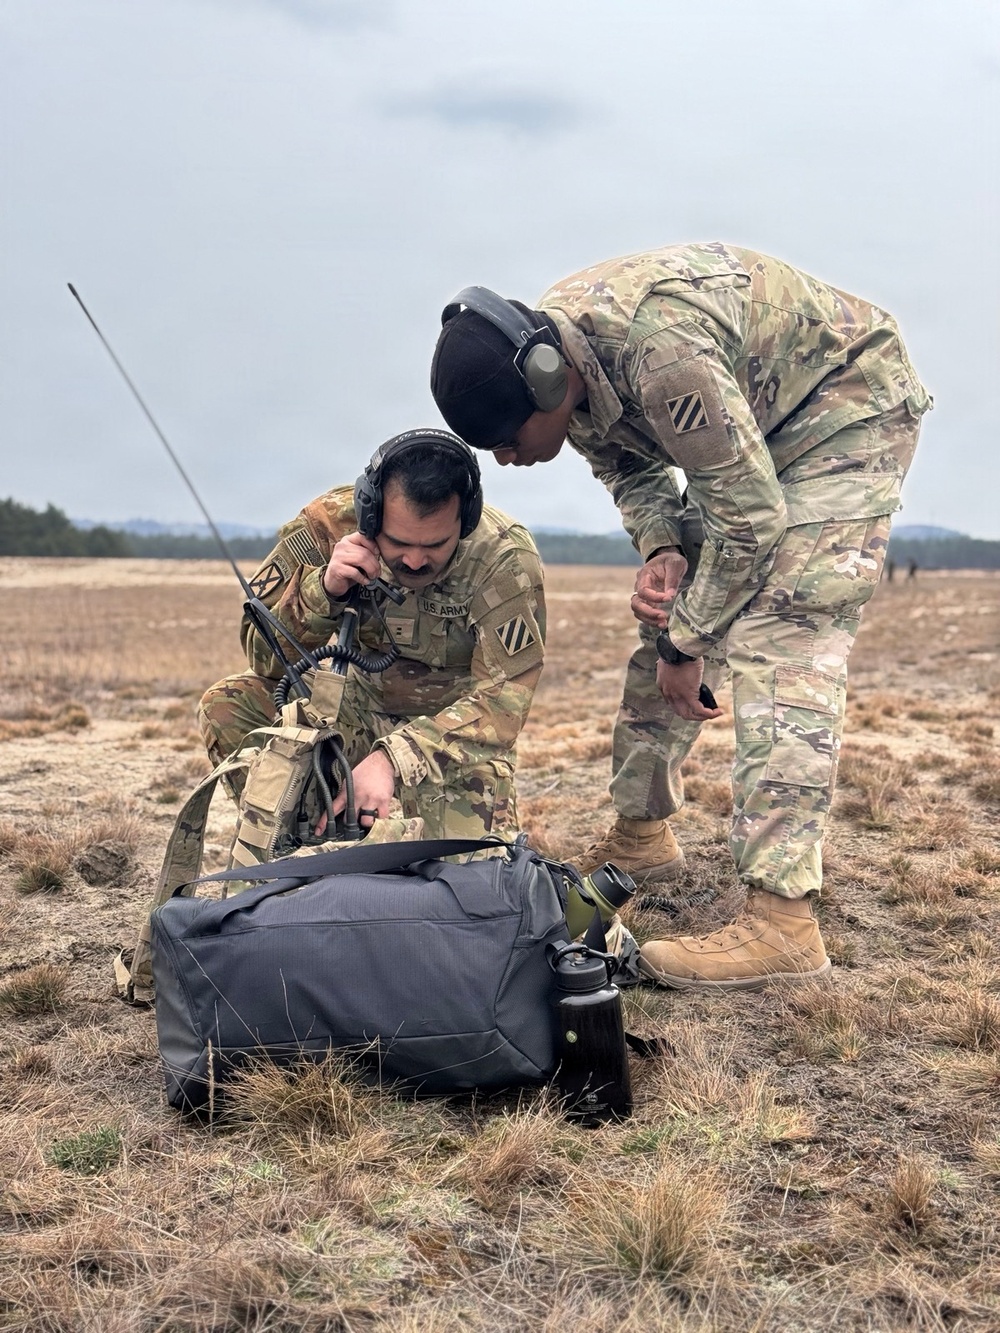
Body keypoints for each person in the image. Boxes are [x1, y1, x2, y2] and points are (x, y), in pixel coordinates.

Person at [429, 244, 931, 990]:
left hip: (844, 406)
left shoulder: (659, 351)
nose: (504, 460)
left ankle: (783, 921)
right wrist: (665, 546)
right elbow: (626, 464)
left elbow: (753, 521)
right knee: (671, 612)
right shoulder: (557, 359)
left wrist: (689, 639)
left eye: (508, 441)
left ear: (547, 381)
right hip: (753, 437)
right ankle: (643, 832)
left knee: (781, 631)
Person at [198, 429, 545, 840]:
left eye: (436, 545)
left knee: (468, 887)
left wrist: (393, 760)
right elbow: (261, 657)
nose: (415, 561)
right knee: (228, 704)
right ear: (370, 514)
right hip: (351, 713)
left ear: (465, 521)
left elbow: (503, 704)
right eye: (398, 543)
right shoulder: (325, 527)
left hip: (450, 741)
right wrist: (323, 591)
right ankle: (300, 847)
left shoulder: (502, 559)